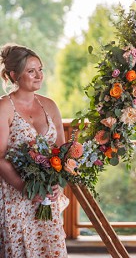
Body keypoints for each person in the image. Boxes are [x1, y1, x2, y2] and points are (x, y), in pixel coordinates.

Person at [0, 43, 68, 258]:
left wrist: (57, 185)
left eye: (40, 69)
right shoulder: (4, 107)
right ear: (14, 75)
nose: (39, 75)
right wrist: (28, 189)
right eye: (31, 71)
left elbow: (60, 152)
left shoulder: (50, 105)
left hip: (47, 199)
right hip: (15, 199)